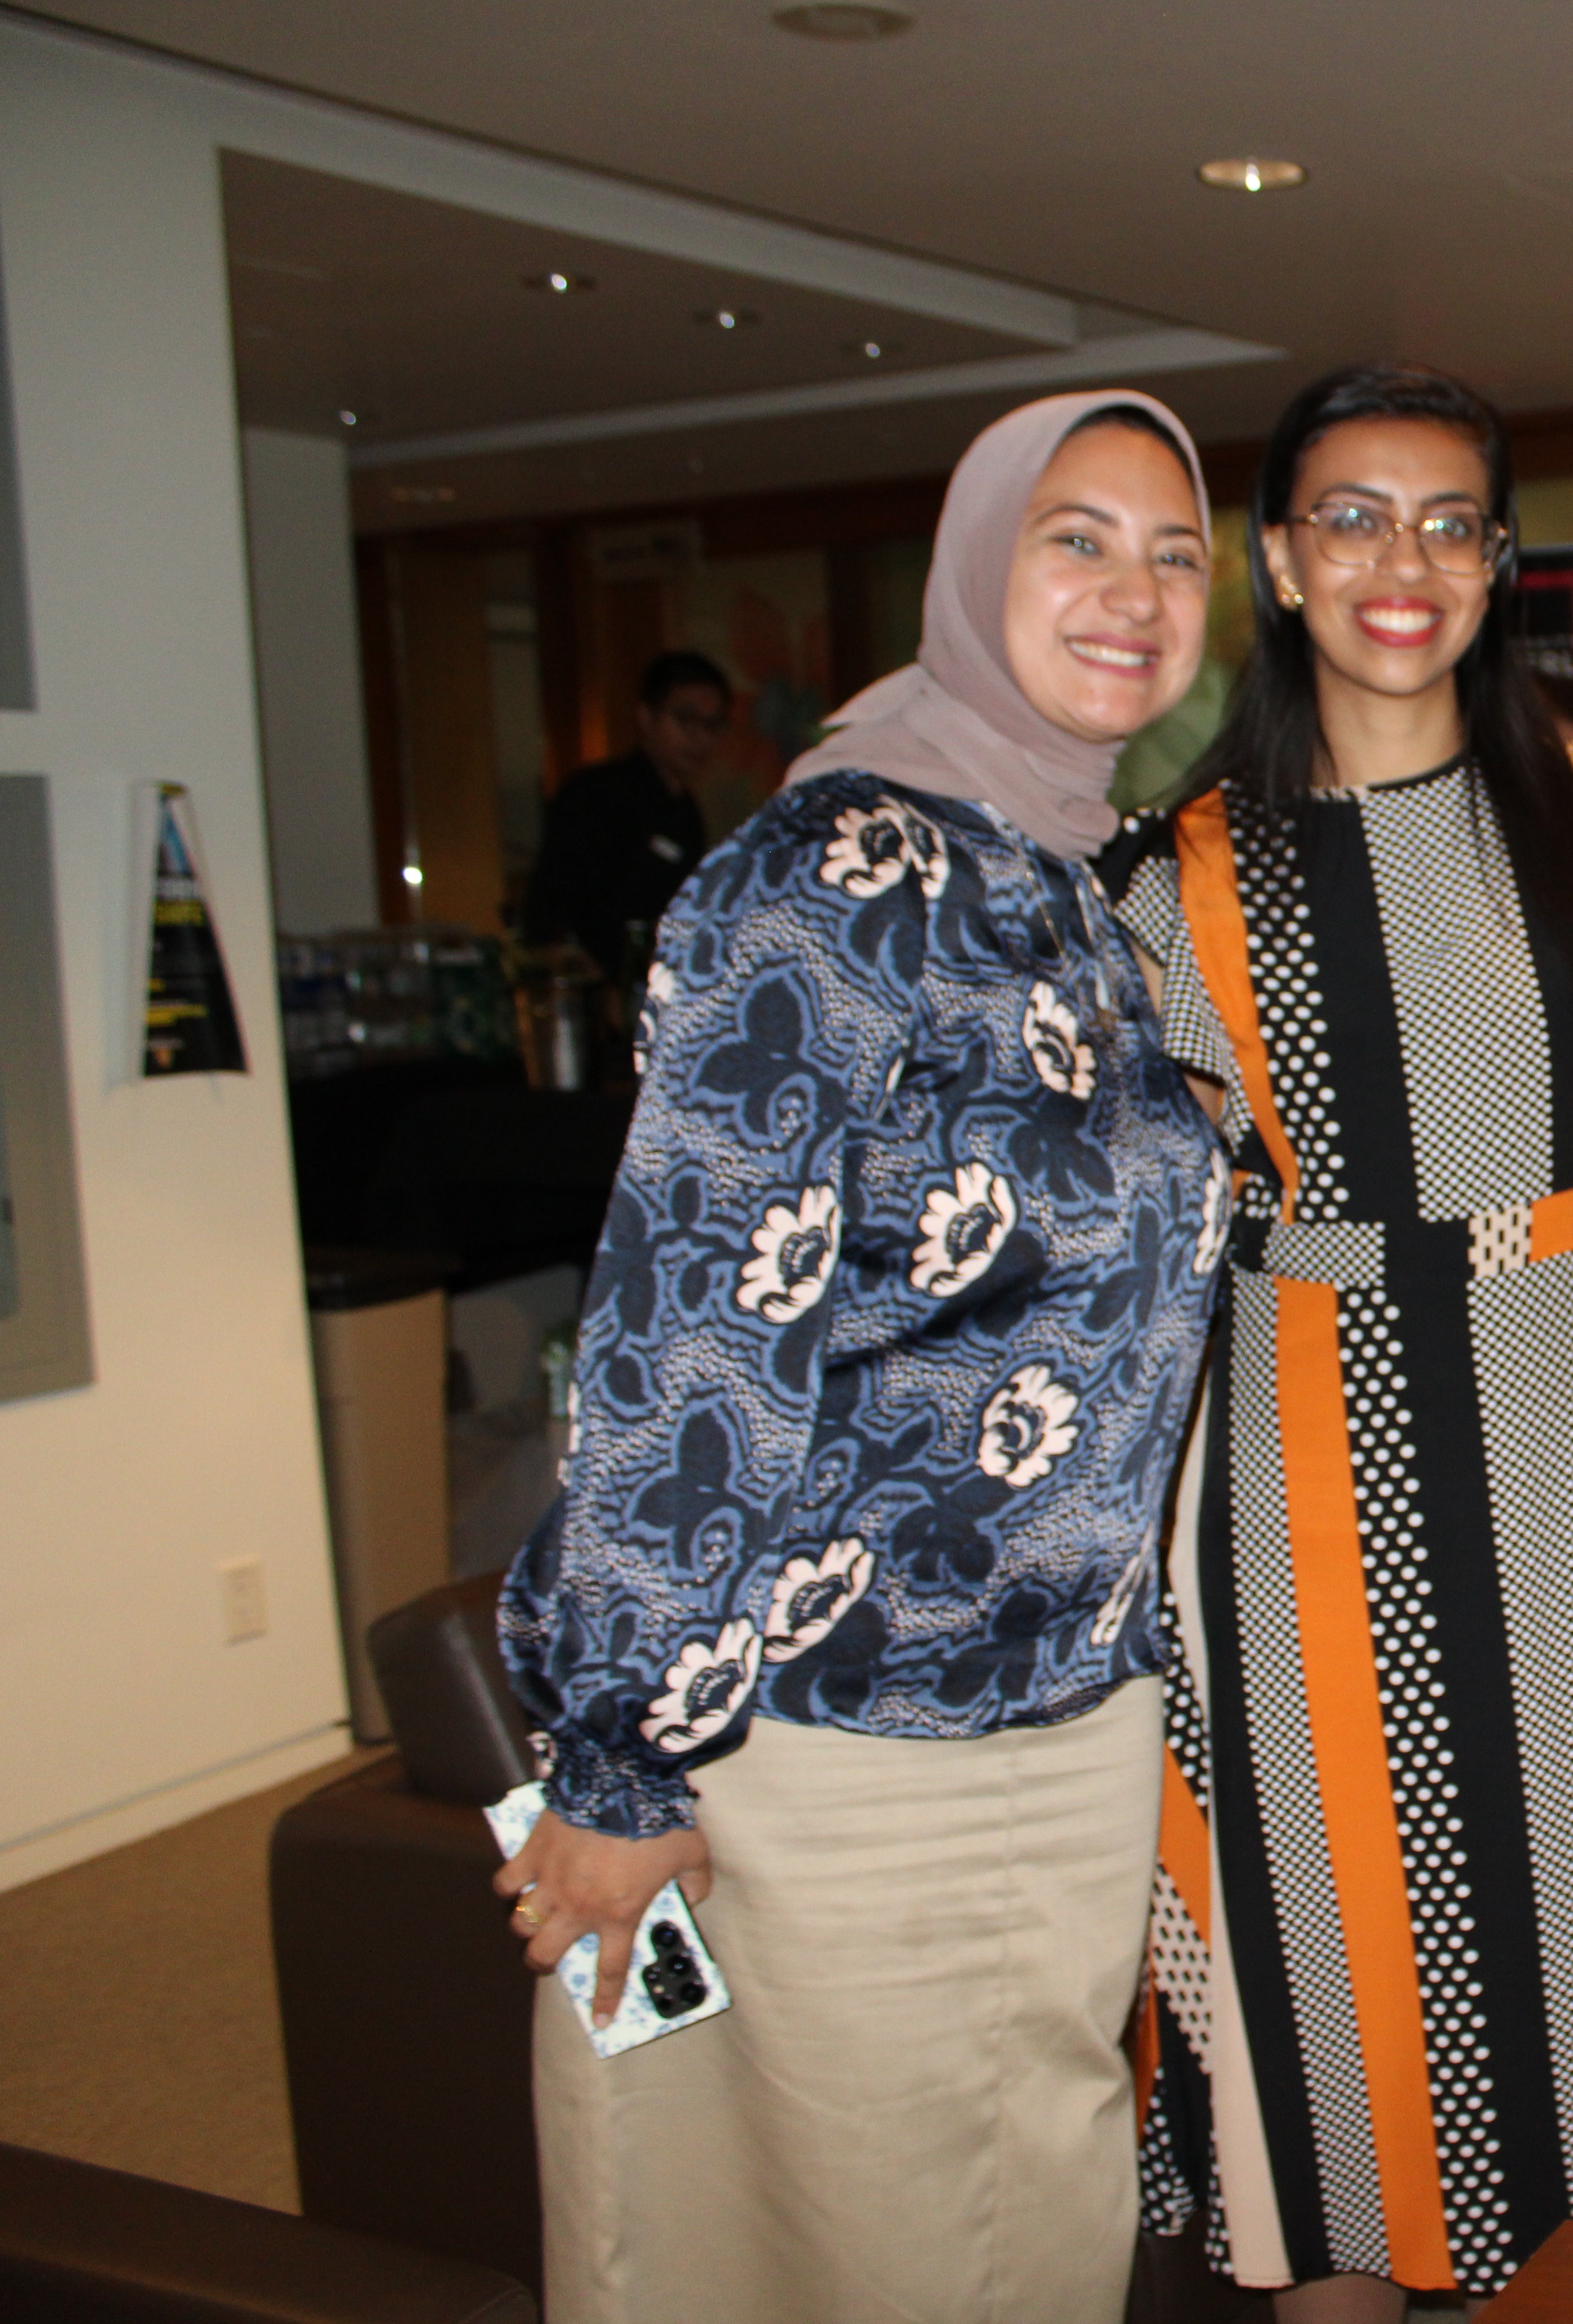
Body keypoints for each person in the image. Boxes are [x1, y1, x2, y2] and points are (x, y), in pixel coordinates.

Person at [493, 392, 1229, 2324]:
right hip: (845, 1730)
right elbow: (690, 1330)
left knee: (969, 2238)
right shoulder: (839, 875)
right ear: (976, 567)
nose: (1133, 592)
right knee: (876, 2250)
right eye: (1078, 538)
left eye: (1174, 555)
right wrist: (622, 1751)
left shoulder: (1069, 877)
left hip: (1055, 1707)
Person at [1098, 364, 1573, 2318]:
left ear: (1501, 565)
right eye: (1353, 519)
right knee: (1334, 1936)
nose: (1403, 563)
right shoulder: (1172, 871)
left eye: (1451, 523)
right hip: (1292, 1445)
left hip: (1572, 1414)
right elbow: (1142, 1234)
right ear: (1279, 561)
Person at [521, 647, 730, 980]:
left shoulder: (686, 810)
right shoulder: (595, 794)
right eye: (685, 720)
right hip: (595, 991)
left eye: (712, 725)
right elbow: (552, 907)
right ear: (647, 717)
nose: (699, 738)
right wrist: (597, 984)